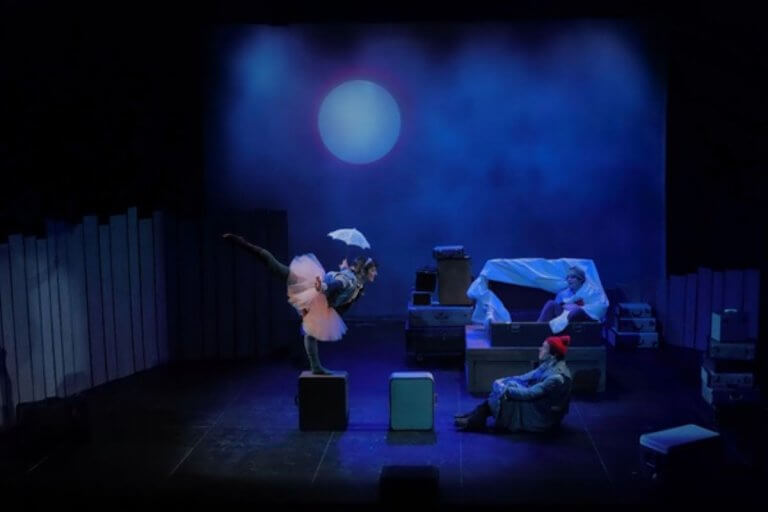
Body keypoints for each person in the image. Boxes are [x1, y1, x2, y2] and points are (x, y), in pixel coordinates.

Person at [222, 233, 378, 374]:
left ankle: (315, 366)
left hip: (322, 301)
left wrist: (343, 270)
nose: (375, 273)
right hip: (313, 289)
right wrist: (323, 286)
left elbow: (342, 294)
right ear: (364, 270)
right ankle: (243, 243)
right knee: (277, 268)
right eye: (373, 270)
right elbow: (336, 284)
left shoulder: (357, 284)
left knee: (311, 333)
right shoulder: (350, 280)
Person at [455, 335, 573, 432]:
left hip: (542, 414)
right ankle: (476, 416)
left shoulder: (556, 377)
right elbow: (524, 377)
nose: (540, 349)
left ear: (554, 355)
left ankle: (475, 418)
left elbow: (530, 393)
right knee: (508, 385)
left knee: (504, 394)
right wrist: (504, 381)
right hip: (538, 402)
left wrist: (505, 389)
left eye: (544, 348)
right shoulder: (548, 364)